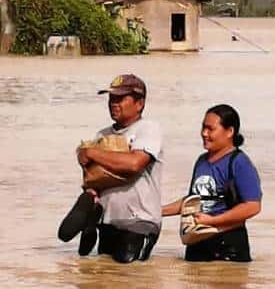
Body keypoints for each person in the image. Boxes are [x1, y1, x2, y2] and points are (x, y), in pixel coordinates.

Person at [58, 74, 164, 263]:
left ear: (139, 103)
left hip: (139, 223)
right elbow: (94, 177)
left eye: (120, 98)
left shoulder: (148, 129)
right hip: (108, 222)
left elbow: (134, 163)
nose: (113, 104)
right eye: (111, 99)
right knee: (106, 281)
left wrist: (91, 153)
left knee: (130, 277)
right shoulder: (102, 134)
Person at [162, 104, 262, 262]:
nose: (204, 133)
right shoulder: (201, 161)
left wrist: (212, 221)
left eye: (210, 129)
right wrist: (157, 211)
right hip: (196, 242)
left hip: (227, 244)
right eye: (203, 128)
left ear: (229, 132)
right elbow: (193, 200)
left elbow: (253, 206)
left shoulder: (239, 162)